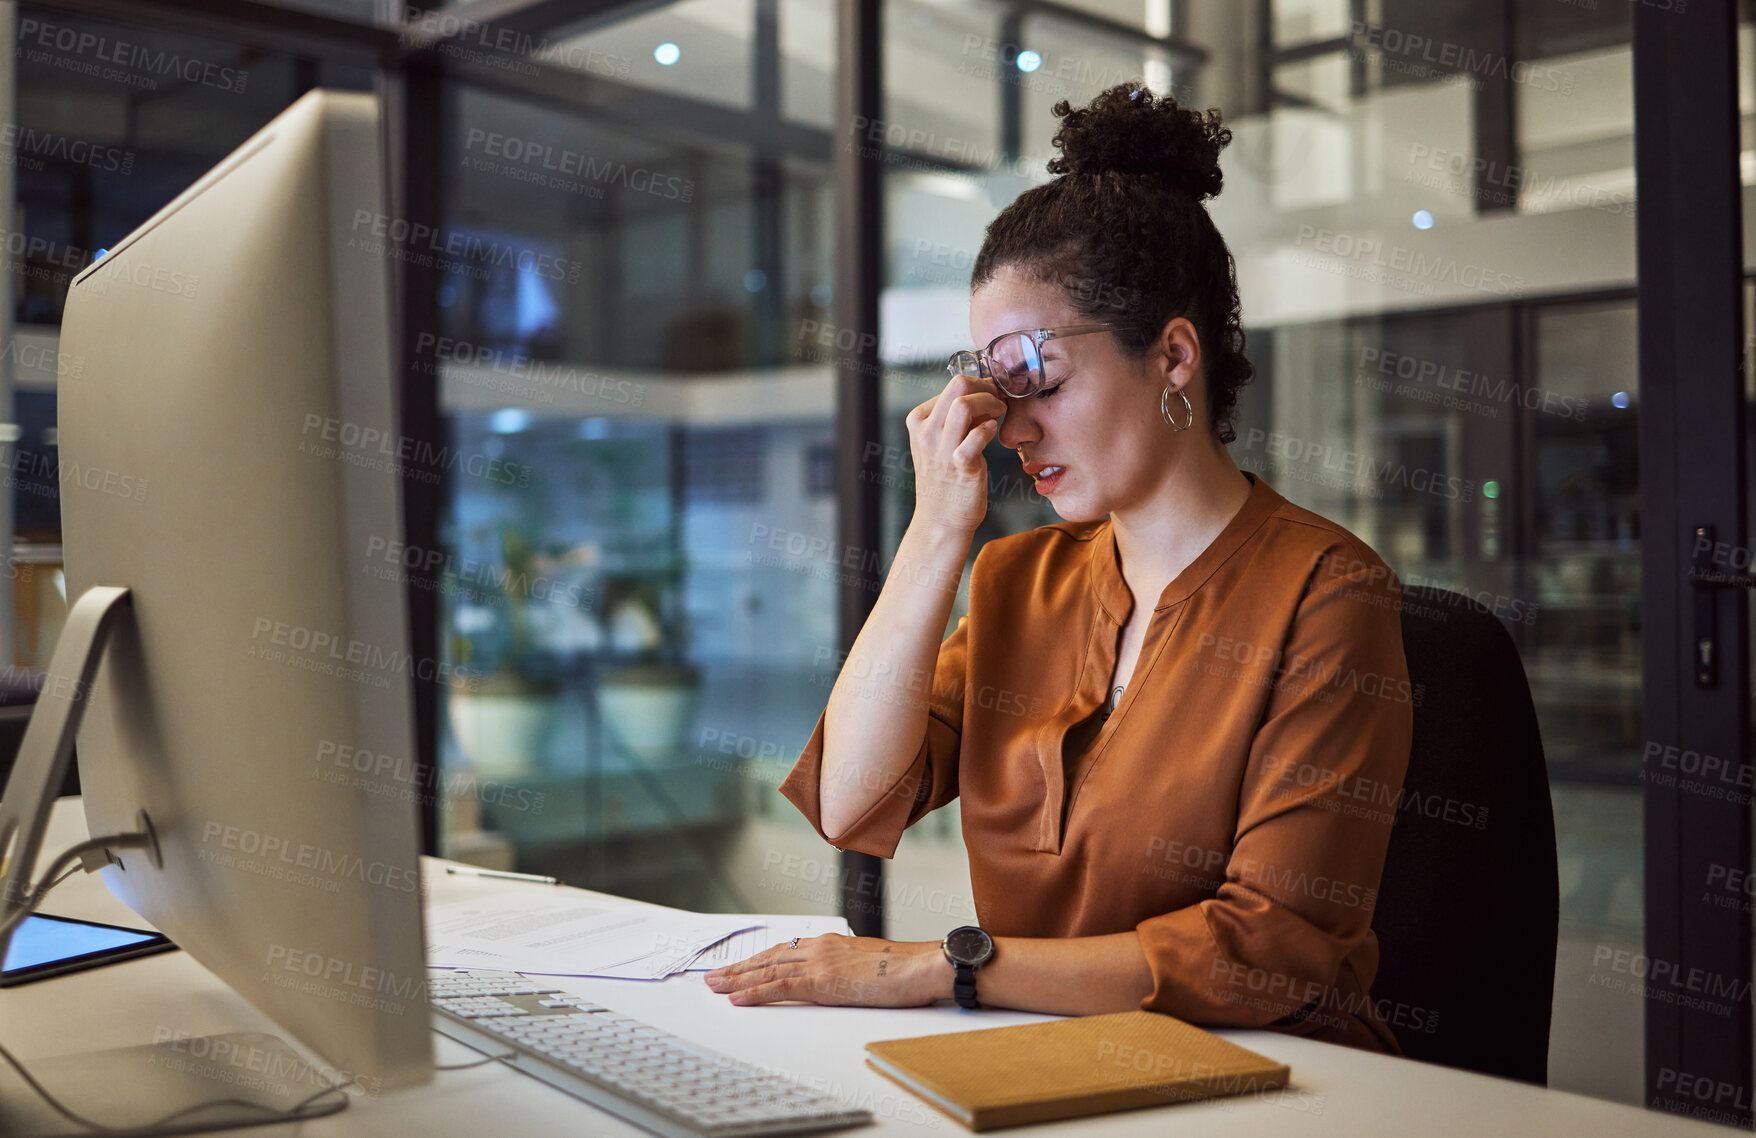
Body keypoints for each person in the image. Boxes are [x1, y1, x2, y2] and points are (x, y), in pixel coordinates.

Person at [706, 83, 1413, 1053]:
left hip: (1272, 1084)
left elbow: (1264, 954)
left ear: (1172, 355)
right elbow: (852, 804)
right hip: (1045, 1067)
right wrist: (933, 536)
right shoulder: (1015, 582)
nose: (1016, 426)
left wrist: (936, 966)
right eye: (996, 387)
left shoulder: (1328, 595)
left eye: (1038, 377)